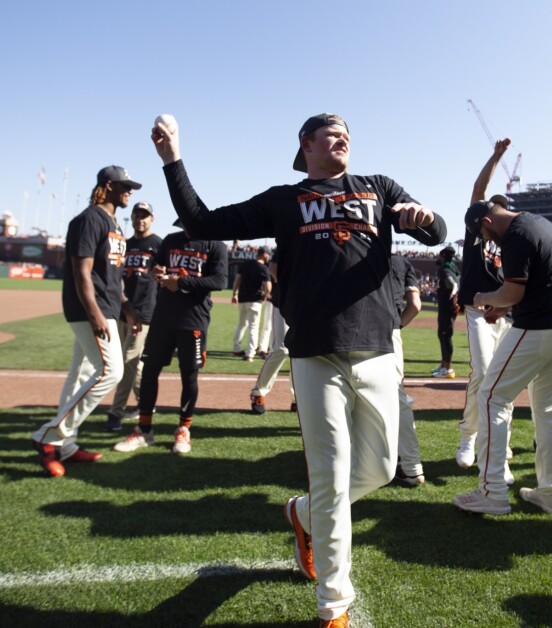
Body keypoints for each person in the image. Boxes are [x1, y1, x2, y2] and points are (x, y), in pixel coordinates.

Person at [151, 111, 446, 627]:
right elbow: (202, 221)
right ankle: (334, 606)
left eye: (347, 133)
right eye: (331, 133)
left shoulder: (377, 186)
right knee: (332, 478)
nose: (343, 138)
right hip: (314, 351)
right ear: (306, 144)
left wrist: (426, 217)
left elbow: (434, 233)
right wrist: (172, 158)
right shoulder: (284, 200)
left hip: (378, 347)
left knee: (377, 470)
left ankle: (302, 513)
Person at [453, 197, 552, 517]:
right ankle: (551, 492)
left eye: (485, 237)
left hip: (540, 328)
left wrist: (484, 297)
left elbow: (512, 292)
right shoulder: (536, 222)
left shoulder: (515, 234)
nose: (489, 243)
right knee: (547, 411)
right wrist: (505, 305)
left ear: (486, 222)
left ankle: (492, 491)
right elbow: (534, 286)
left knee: (490, 398)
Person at [32, 165, 142, 477]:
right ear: (108, 186)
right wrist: (94, 312)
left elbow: (111, 277)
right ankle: (49, 435)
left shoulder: (114, 224)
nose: (130, 191)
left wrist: (128, 308)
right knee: (111, 371)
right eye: (125, 186)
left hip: (107, 305)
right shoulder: (88, 219)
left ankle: (65, 447)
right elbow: (82, 271)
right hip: (88, 309)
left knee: (79, 376)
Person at [114, 220, 227, 454]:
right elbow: (158, 265)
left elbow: (219, 280)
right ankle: (144, 429)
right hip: (163, 317)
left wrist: (182, 283)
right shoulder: (171, 240)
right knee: (149, 371)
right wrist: (158, 271)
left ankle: (183, 429)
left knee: (189, 375)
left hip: (193, 319)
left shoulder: (215, 243)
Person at [455, 139, 513, 473]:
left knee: (502, 379)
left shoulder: (515, 238)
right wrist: (496, 156)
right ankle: (469, 436)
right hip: (479, 310)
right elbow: (479, 189)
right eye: (492, 207)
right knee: (484, 370)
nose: (494, 211)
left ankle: (497, 447)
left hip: (506, 313)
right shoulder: (478, 232)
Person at [105, 201, 162, 432]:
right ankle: (145, 404)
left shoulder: (158, 245)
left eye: (145, 215)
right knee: (132, 365)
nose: (140, 219)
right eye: (137, 215)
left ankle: (115, 413)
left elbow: (161, 279)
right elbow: (115, 276)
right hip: (122, 311)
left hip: (145, 313)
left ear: (152, 219)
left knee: (128, 361)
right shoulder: (125, 245)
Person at [390, 254, 425, 486]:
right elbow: (415, 305)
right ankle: (412, 466)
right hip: (389, 331)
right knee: (396, 397)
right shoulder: (401, 262)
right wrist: (397, 326)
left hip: (348, 329)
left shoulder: (351, 250)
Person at [250, 250, 297, 415]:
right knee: (281, 349)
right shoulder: (291, 237)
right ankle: (258, 392)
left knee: (302, 353)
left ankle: (297, 398)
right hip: (283, 303)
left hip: (307, 305)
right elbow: (273, 267)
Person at [231, 246, 271, 361]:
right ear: (264, 254)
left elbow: (237, 279)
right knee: (253, 327)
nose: (268, 256)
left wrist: (234, 294)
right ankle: (250, 353)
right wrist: (265, 295)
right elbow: (268, 286)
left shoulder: (246, 264)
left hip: (242, 299)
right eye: (268, 254)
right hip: (254, 300)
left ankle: (236, 349)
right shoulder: (263, 268)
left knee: (241, 324)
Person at [432, 245, 460, 378]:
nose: (438, 257)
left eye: (439, 255)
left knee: (445, 335)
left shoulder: (445, 268)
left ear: (443, 256)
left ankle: (448, 369)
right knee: (442, 334)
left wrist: (453, 292)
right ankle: (443, 365)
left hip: (447, 307)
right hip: (448, 307)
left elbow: (452, 284)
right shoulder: (453, 267)